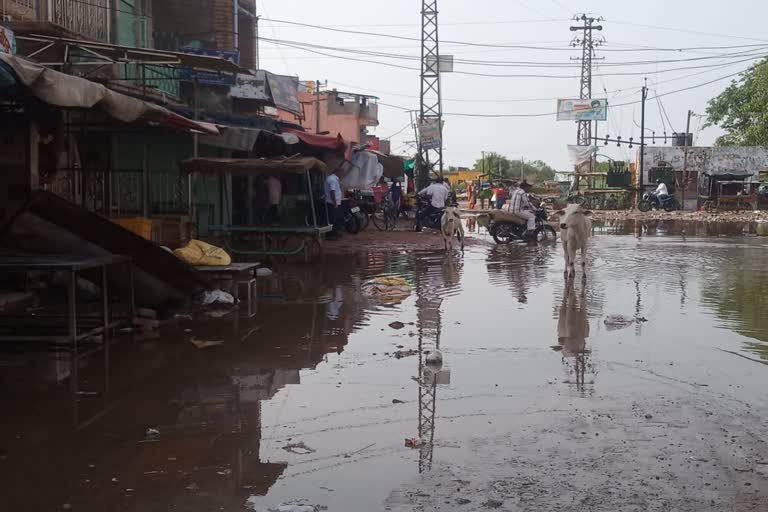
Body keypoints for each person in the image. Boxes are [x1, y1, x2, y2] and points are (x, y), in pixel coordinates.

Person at [325, 169, 343, 240]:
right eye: (341, 172)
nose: (342, 174)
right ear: (337, 172)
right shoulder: (333, 179)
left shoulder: (333, 179)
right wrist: (335, 203)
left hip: (333, 202)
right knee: (332, 219)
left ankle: (334, 233)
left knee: (336, 218)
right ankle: (330, 235)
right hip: (331, 203)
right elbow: (332, 192)